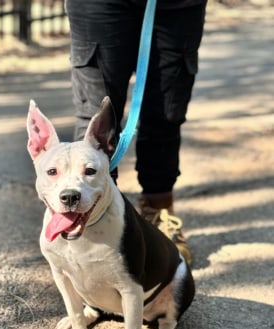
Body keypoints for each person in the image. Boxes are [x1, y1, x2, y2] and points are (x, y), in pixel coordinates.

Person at [65, 0, 207, 265]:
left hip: (179, 7)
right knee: (97, 119)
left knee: (166, 112)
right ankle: (98, 221)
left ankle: (158, 211)